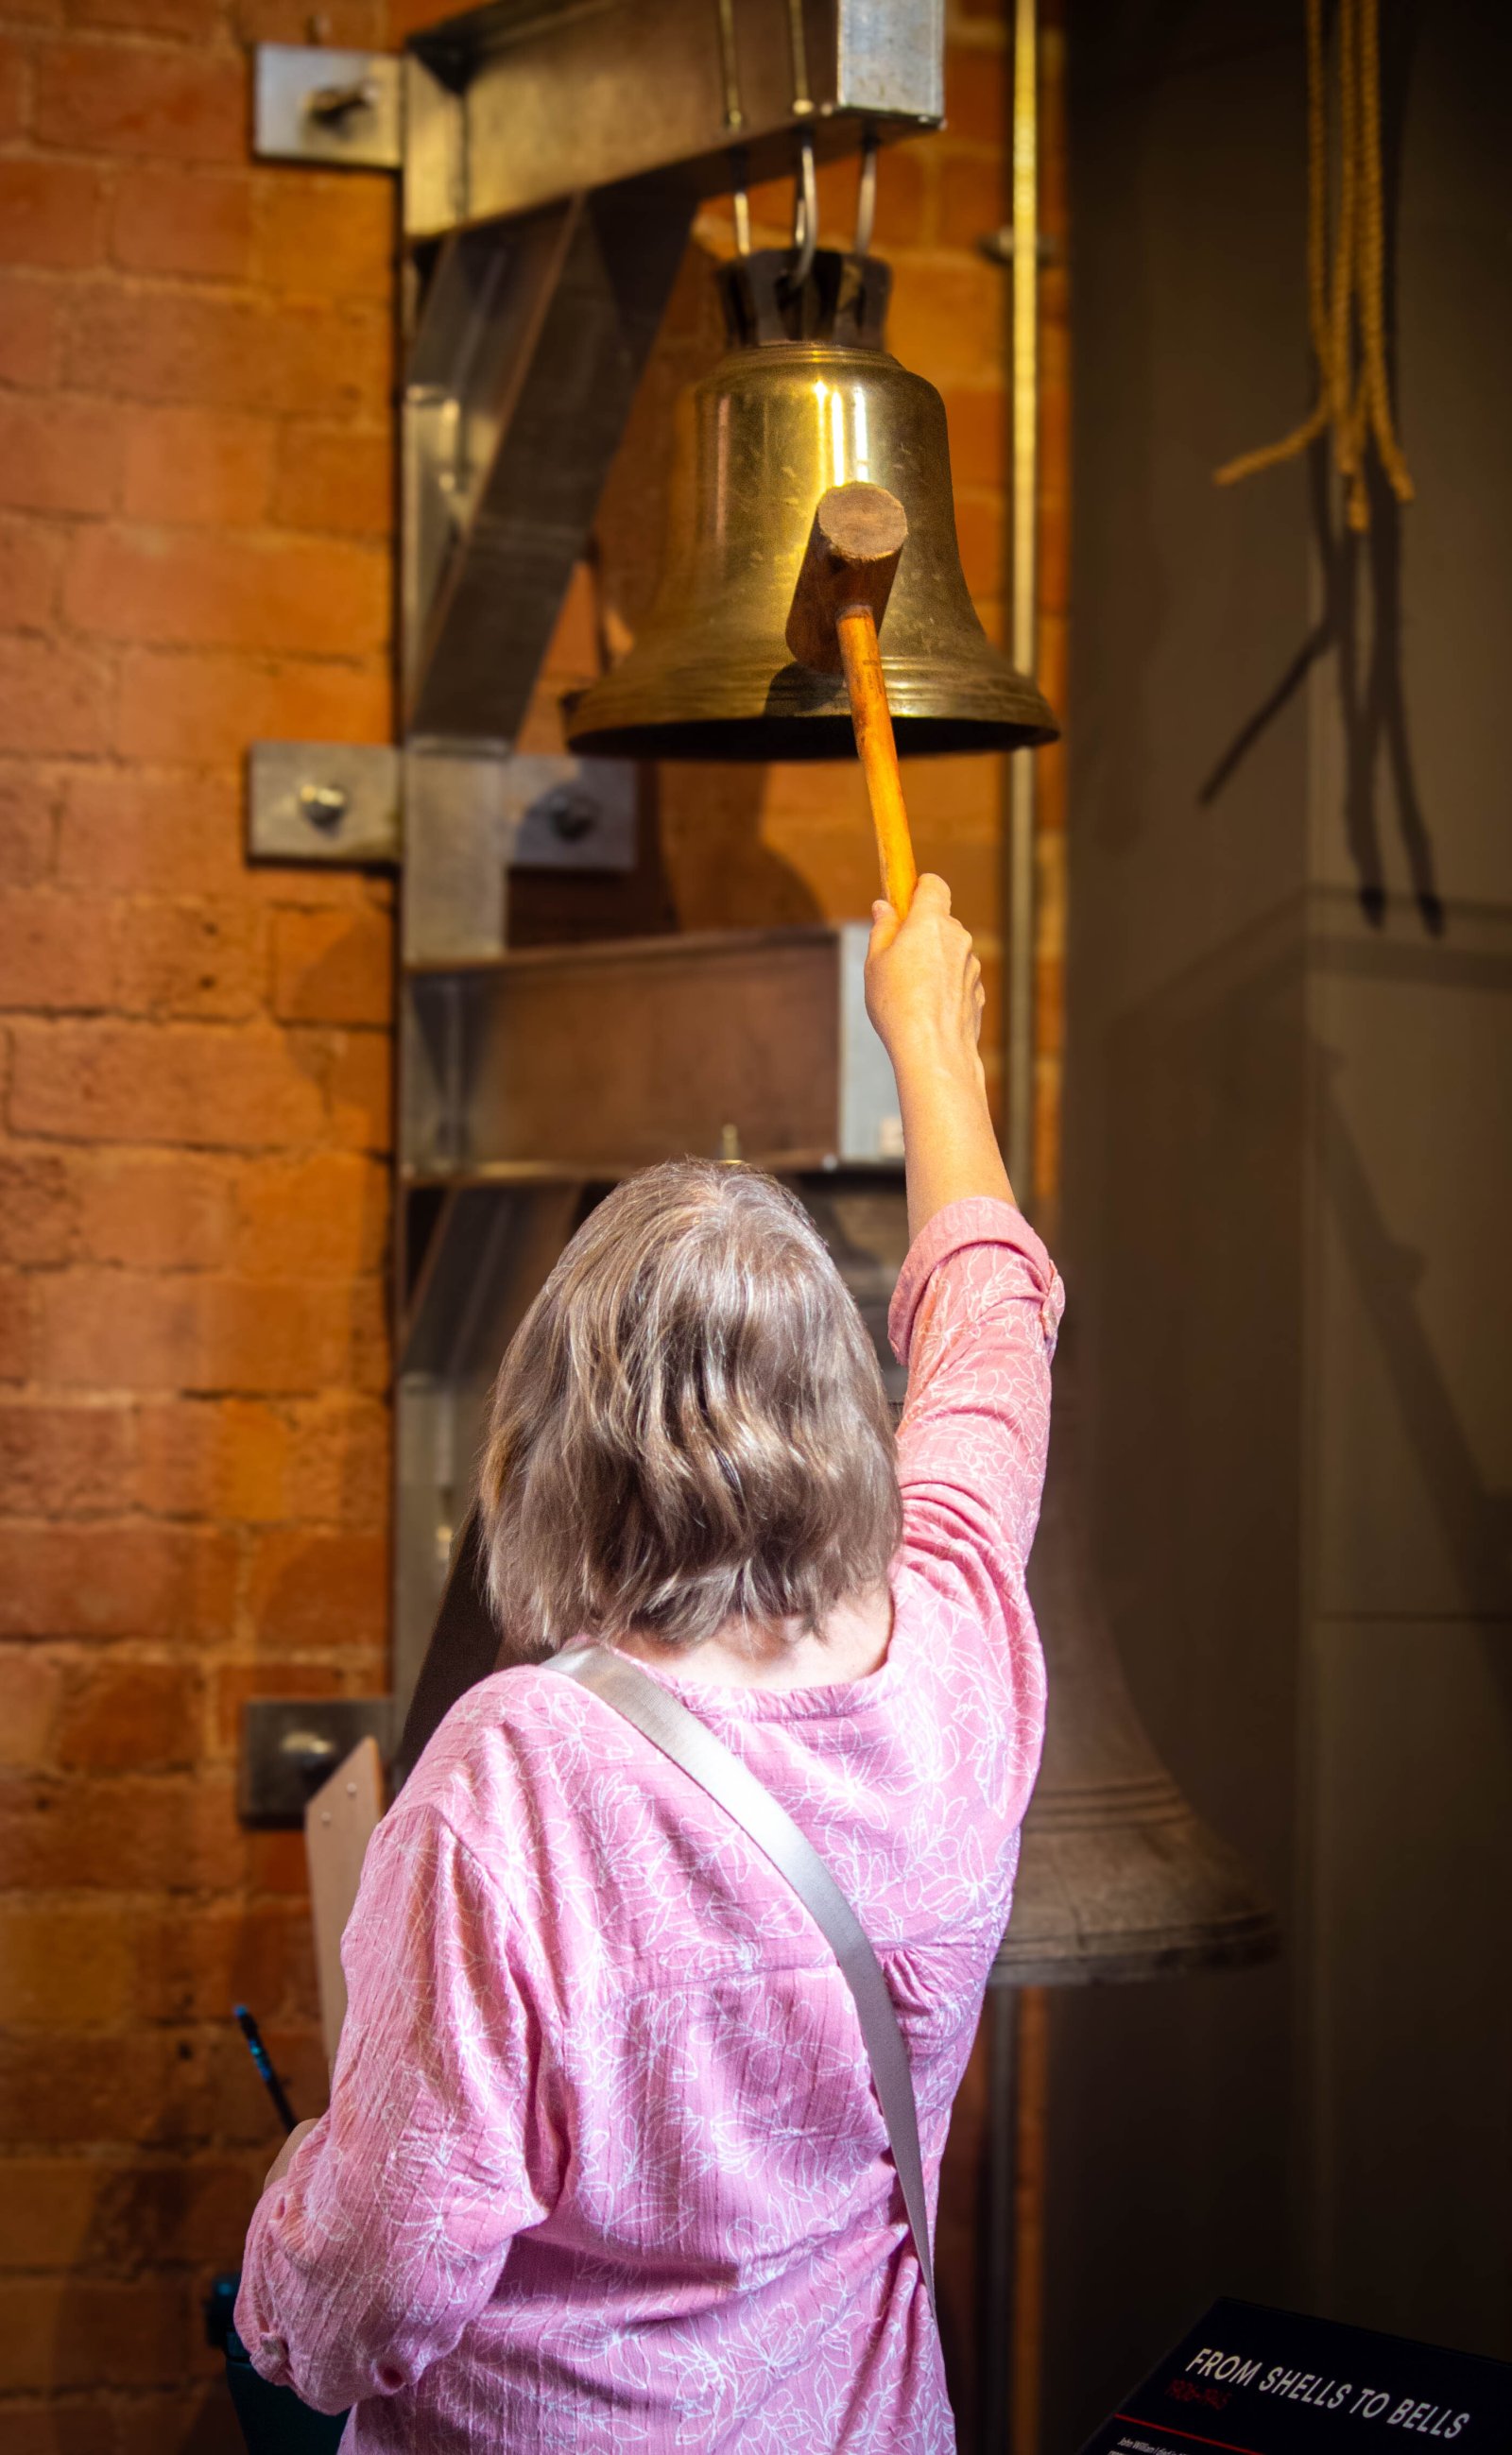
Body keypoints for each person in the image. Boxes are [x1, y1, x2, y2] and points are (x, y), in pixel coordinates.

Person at [235, 874, 1062, 2452]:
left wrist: (279, 2259)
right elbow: (992, 1335)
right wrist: (935, 1053)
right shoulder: (955, 1647)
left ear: (561, 1444)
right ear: (837, 1410)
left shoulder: (517, 1776)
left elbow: (376, 2282)